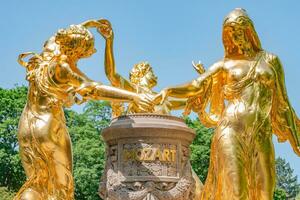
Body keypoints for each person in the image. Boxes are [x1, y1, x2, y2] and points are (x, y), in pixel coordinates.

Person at [154, 8, 300, 200]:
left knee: (265, 193)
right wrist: (170, 90)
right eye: (229, 33)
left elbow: (283, 104)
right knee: (237, 193)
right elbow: (197, 85)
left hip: (261, 134)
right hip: (230, 131)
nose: (234, 37)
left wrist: (296, 142)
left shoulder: (271, 61)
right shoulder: (224, 65)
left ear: (249, 31)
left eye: (238, 31)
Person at [15, 20, 153, 200]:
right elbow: (93, 89)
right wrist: (133, 96)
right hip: (50, 128)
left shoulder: (47, 55)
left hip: (27, 126)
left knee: (37, 182)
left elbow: (60, 36)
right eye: (85, 53)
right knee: (62, 186)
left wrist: (89, 24)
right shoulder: (64, 68)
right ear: (79, 51)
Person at [98, 19, 203, 199]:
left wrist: (203, 80)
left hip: (173, 158)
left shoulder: (163, 98)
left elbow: (191, 101)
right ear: (141, 73)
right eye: (151, 70)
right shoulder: (132, 91)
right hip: (139, 157)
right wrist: (109, 42)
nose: (155, 73)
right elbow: (111, 74)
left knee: (200, 190)